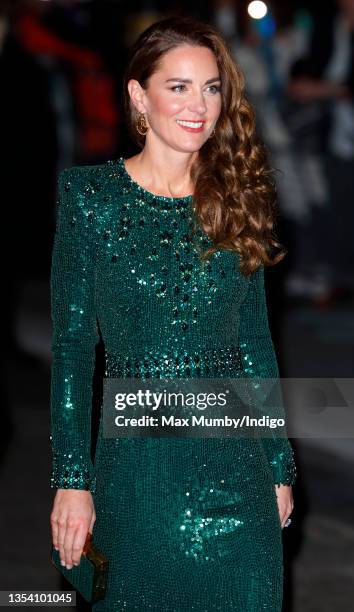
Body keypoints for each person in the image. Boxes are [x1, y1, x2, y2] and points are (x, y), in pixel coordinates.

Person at [49, 16, 296, 611]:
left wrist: (278, 460)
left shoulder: (237, 199)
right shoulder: (91, 200)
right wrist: (71, 480)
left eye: (211, 88)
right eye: (179, 86)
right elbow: (74, 350)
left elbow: (255, 343)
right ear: (139, 95)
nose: (199, 106)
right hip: (139, 481)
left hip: (239, 481)